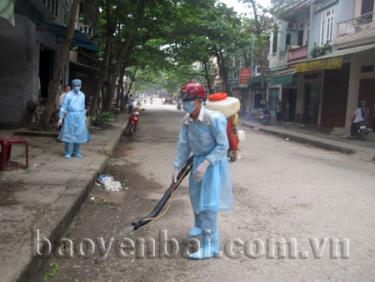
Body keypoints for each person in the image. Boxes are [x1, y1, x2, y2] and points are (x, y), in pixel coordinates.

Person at [172, 81, 233, 260]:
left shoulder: (213, 119)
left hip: (212, 166)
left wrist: (206, 163)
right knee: (197, 200)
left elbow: (223, 146)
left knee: (208, 206)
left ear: (200, 100)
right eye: (184, 100)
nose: (186, 104)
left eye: (189, 100)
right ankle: (200, 230)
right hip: (197, 163)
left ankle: (211, 246)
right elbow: (183, 145)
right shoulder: (188, 120)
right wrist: (177, 166)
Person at [57, 79, 90, 159]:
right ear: (72, 86)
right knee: (69, 134)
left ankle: (76, 152)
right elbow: (63, 107)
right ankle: (68, 152)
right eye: (75, 86)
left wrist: (84, 117)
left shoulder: (82, 95)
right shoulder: (68, 95)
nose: (77, 87)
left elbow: (83, 107)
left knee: (78, 134)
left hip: (80, 116)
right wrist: (61, 118)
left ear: (81, 86)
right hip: (70, 116)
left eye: (78, 85)